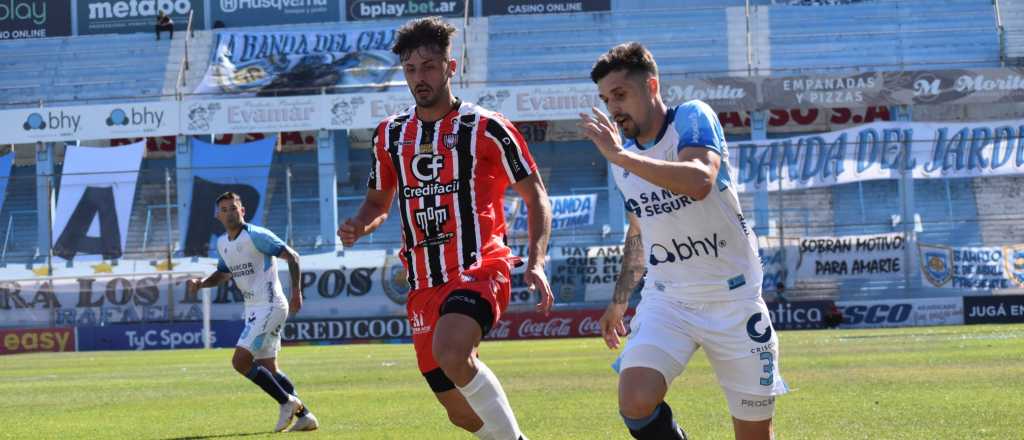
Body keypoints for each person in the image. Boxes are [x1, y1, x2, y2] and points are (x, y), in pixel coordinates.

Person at [338, 16, 553, 440]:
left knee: (452, 353)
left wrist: (537, 260)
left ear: (451, 69)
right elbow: (378, 203)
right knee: (463, 415)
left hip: (480, 266)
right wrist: (360, 225)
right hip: (422, 282)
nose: (421, 77)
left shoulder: (488, 127)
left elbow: (537, 196)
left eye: (430, 66)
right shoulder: (390, 135)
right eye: (411, 69)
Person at [580, 42, 788, 440]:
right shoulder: (623, 157)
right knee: (635, 399)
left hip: (734, 300)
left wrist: (621, 158)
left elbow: (699, 180)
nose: (613, 108)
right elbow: (639, 230)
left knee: (754, 435)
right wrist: (620, 300)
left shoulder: (691, 118)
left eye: (620, 95)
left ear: (652, 86)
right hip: (669, 300)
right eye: (606, 99)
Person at [186, 192, 319, 432]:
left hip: (270, 304)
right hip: (254, 308)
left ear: (242, 210)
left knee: (240, 361)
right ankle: (305, 416)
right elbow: (224, 274)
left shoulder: (256, 235)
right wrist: (201, 283)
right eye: (224, 209)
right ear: (218, 215)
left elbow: (293, 256)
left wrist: (296, 292)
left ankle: (287, 402)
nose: (229, 213)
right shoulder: (223, 243)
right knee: (268, 367)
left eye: (233, 208)